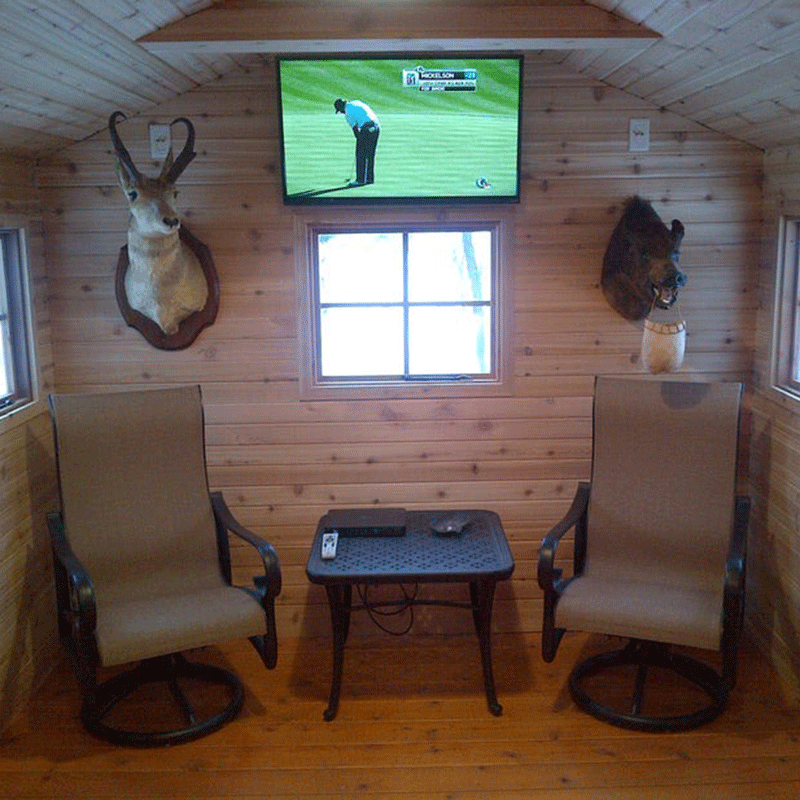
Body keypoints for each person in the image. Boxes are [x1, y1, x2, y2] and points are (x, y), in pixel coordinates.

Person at [333, 98, 380, 186]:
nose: (341, 112)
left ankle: (360, 180)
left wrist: (359, 144)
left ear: (341, 107)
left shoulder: (348, 114)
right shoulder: (356, 102)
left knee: (360, 155)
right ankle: (370, 179)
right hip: (376, 126)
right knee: (370, 155)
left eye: (340, 111)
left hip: (366, 128)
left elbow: (356, 133)